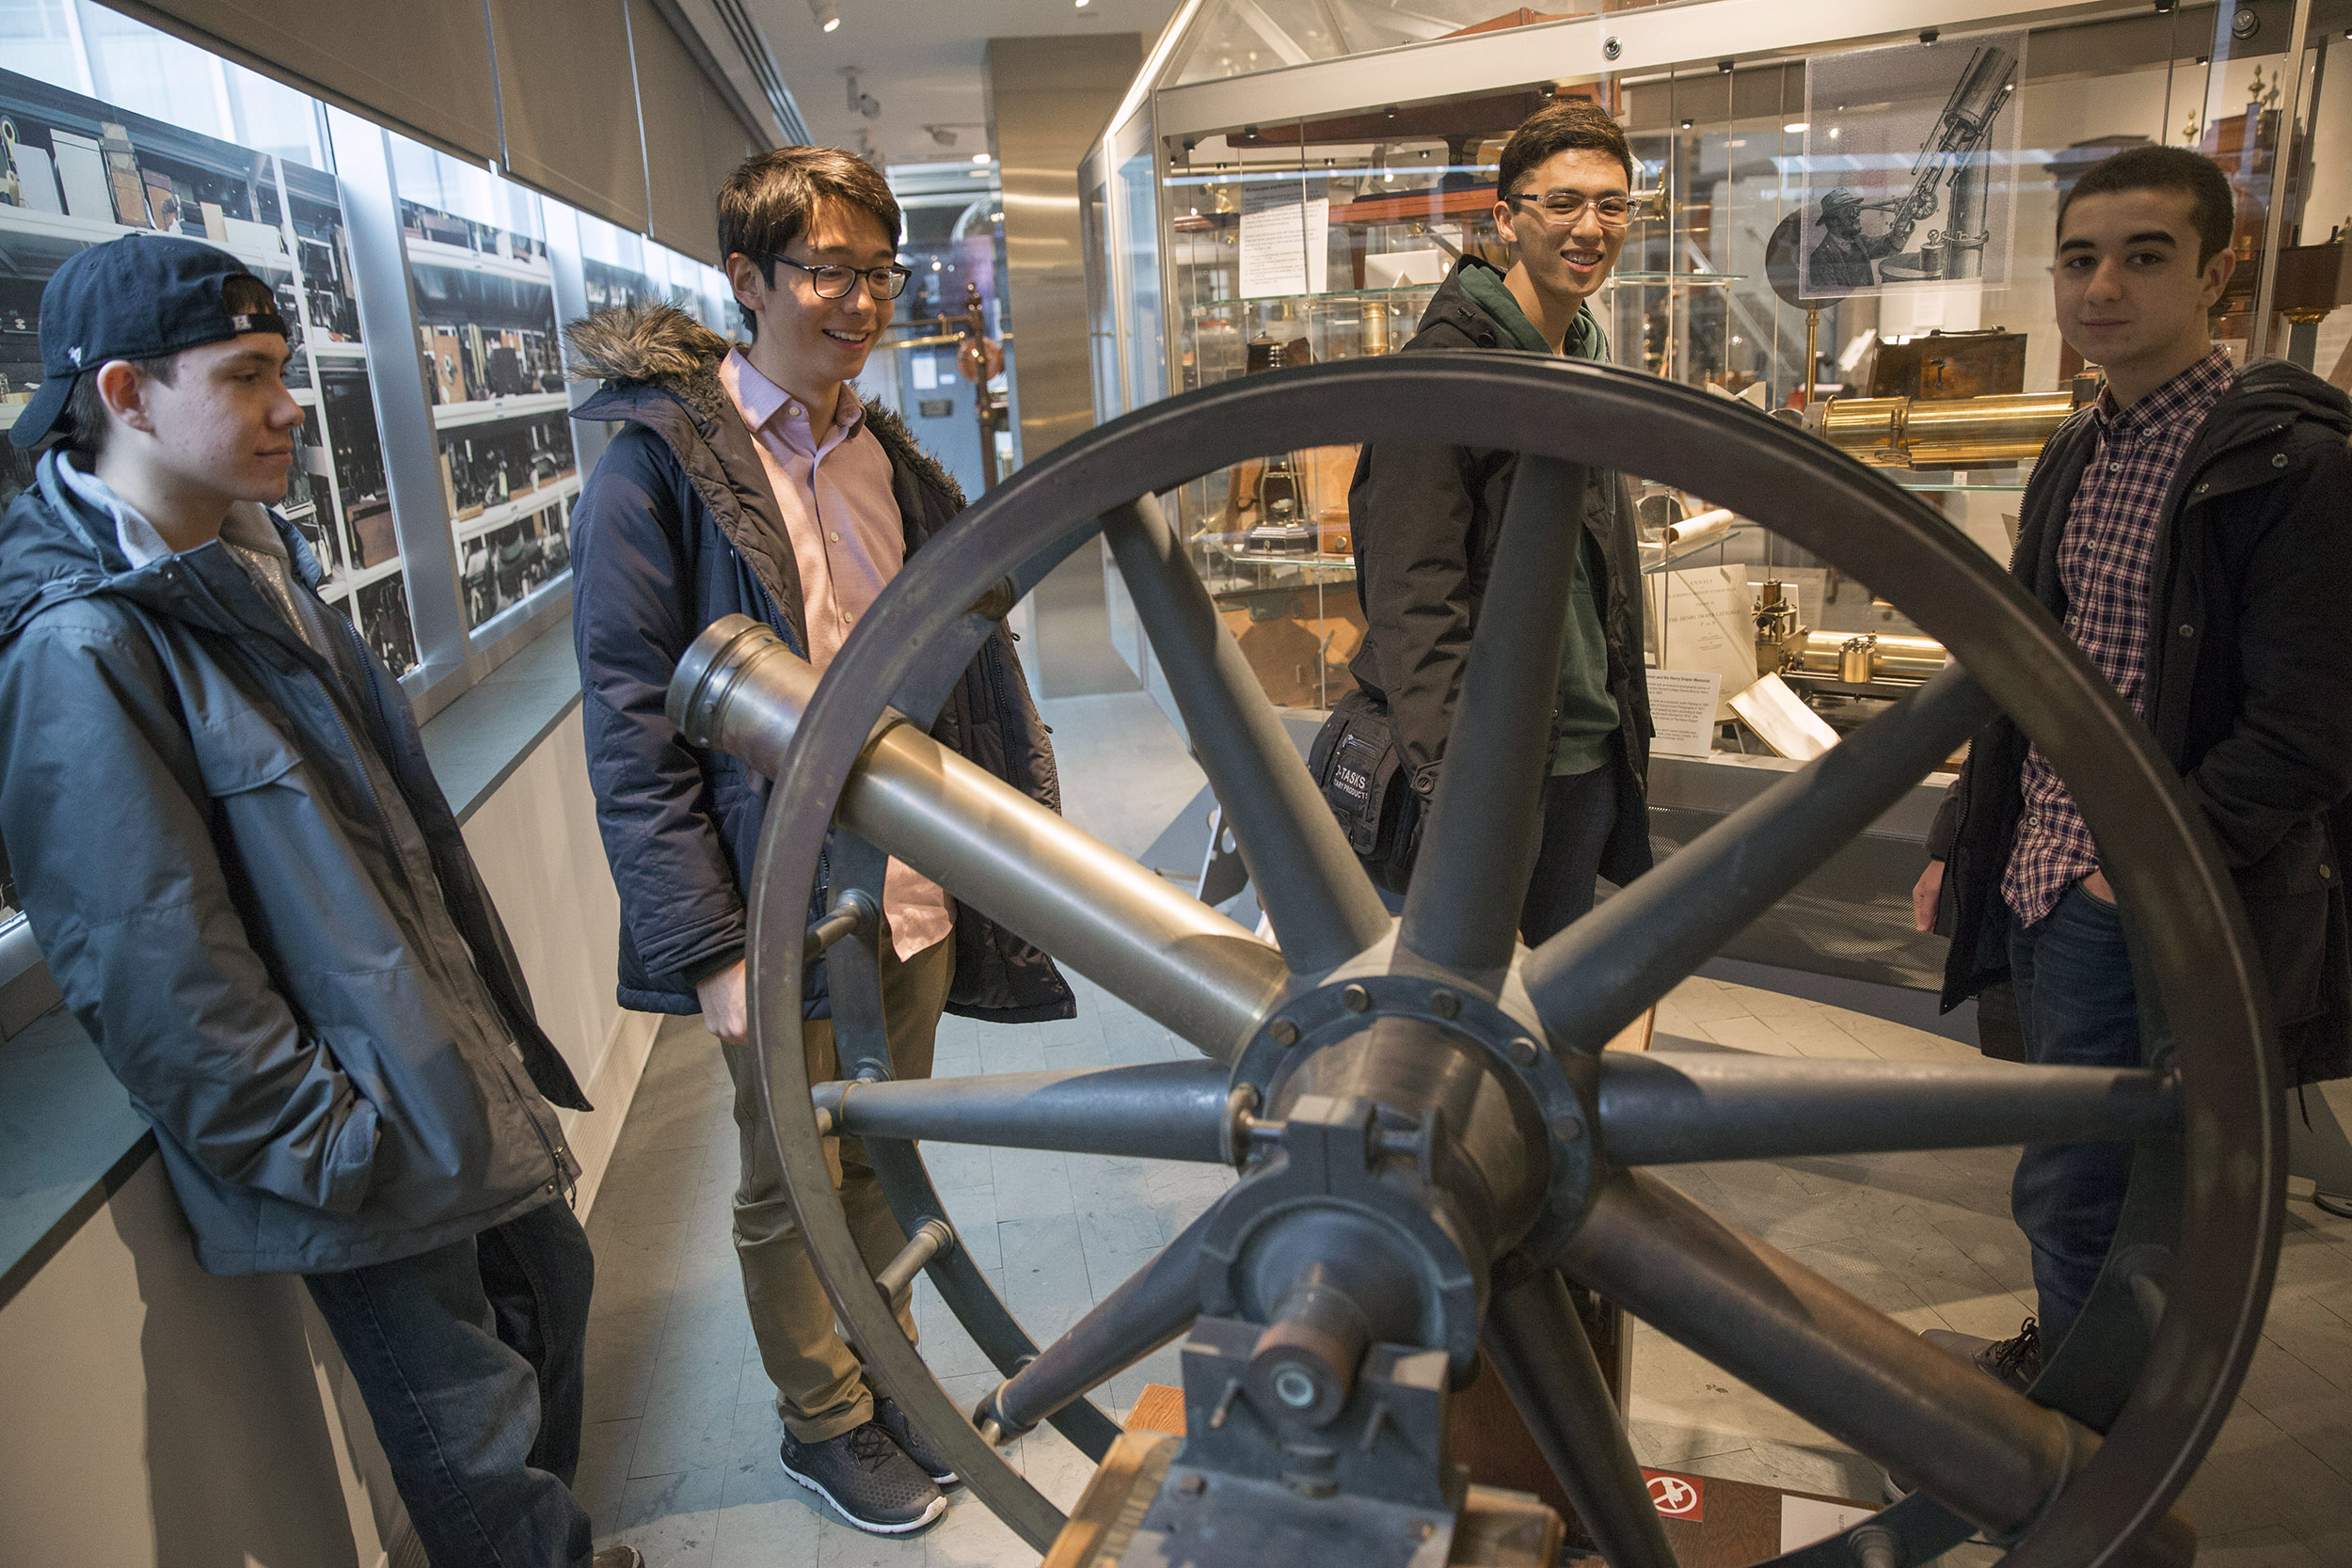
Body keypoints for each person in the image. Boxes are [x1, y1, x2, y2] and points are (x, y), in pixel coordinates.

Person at [0, 236, 636, 1568]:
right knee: (471, 1437)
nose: (292, 405)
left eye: (284, 368)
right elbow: (147, 962)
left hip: (429, 1069)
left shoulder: (251, 559)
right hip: (355, 1131)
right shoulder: (84, 643)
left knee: (552, 1299)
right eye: (247, 375)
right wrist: (330, 1147)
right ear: (124, 393)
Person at [565, 147, 1072, 1536]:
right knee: (793, 1173)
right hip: (773, 891)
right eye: (830, 270)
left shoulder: (886, 455)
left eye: (879, 270)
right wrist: (711, 946)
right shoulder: (654, 474)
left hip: (900, 886)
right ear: (747, 280)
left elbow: (966, 662)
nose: (862, 300)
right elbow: (630, 727)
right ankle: (825, 1419)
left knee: (881, 1147)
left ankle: (884, 1366)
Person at [1915, 145, 2352, 1386]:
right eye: (2081, 257)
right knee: (2077, 1157)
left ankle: (2090, 1455)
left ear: (2219, 271)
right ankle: (2076, 1375)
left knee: (2096, 1177)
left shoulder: (2291, 465)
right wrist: (1966, 836)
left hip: (2153, 889)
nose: (2104, 284)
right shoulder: (2081, 449)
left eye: (2144, 256)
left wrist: (2138, 868)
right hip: (2051, 866)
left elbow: (2310, 726)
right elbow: (2030, 673)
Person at [1345, 98, 1653, 942]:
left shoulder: (1582, 357)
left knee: (1545, 1018)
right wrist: (1457, 791)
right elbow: (1414, 594)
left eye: (1611, 204)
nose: (1590, 226)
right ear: (1506, 218)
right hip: (1496, 769)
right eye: (1562, 202)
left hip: (1585, 757)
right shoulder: (1448, 372)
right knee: (1469, 1023)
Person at [1809, 187, 1911, 292]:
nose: (1857, 213)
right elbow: (1832, 298)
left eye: (1856, 208)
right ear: (1833, 221)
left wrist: (1901, 222)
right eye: (1848, 210)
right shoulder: (1820, 259)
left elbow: (1889, 246)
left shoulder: (1858, 242)